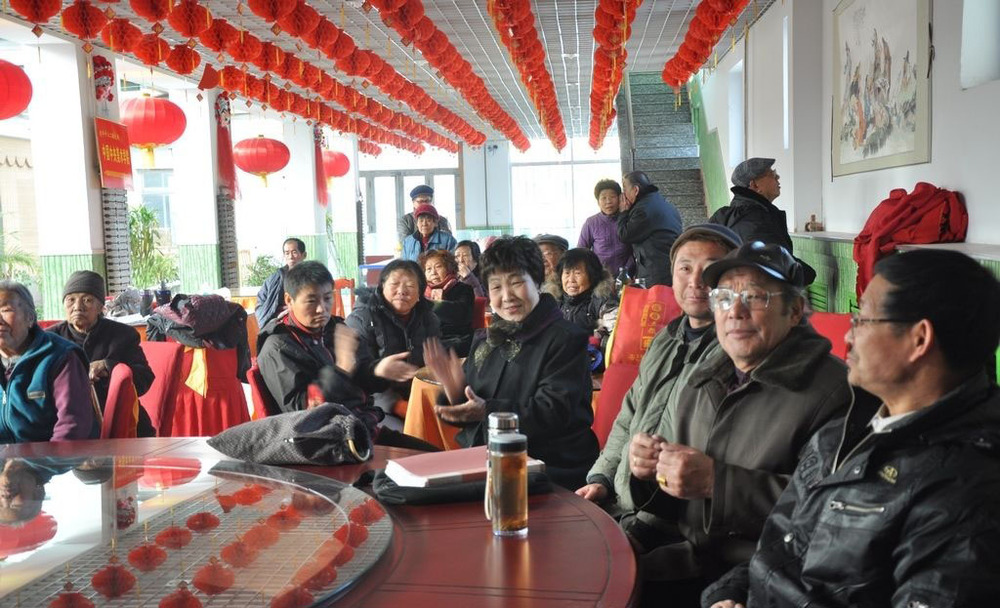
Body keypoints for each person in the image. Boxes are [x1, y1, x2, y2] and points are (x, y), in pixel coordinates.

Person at [704, 250, 1000, 608]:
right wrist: (730, 593)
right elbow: (783, 545)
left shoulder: (965, 492)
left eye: (863, 320)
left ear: (919, 340)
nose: (847, 336)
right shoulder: (843, 433)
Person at [626, 242, 851, 604]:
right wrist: (650, 471)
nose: (735, 311)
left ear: (794, 311)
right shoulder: (703, 377)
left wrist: (716, 483)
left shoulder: (835, 392)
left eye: (755, 297)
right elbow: (673, 502)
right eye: (724, 297)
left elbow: (834, 511)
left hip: (768, 578)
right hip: (685, 560)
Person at [576, 225, 741, 517]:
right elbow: (628, 418)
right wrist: (602, 479)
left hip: (675, 520)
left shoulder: (739, 353)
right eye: (685, 268)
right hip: (621, 503)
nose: (696, 281)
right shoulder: (665, 339)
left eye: (710, 269)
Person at [426, 236, 599, 489]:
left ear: (537, 281)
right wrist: (454, 392)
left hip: (549, 468)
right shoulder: (486, 339)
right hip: (489, 462)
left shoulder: (566, 339)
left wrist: (487, 411)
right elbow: (471, 408)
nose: (507, 296)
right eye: (496, 287)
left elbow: (553, 412)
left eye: (516, 283)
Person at [256, 261, 437, 450]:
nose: (321, 309)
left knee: (434, 455)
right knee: (427, 459)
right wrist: (341, 369)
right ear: (289, 300)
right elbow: (303, 412)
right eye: (311, 301)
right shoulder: (278, 347)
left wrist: (378, 371)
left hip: (358, 426)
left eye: (327, 298)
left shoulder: (334, 328)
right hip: (325, 444)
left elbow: (361, 374)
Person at [48, 271, 156, 437]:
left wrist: (109, 366)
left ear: (101, 307)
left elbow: (144, 379)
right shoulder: (49, 340)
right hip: (65, 428)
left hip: (121, 428)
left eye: (87, 300)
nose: (77, 307)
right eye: (71, 300)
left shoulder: (122, 335)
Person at [346, 260, 441, 429]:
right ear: (382, 286)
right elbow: (357, 376)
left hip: (420, 397)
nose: (402, 291)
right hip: (376, 405)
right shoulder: (361, 319)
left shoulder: (428, 319)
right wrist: (397, 405)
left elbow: (435, 364)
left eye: (410, 285)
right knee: (414, 432)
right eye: (394, 284)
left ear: (420, 293)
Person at [0, 280, 96, 443]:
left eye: (6, 310)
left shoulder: (61, 357)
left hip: (50, 456)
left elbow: (72, 428)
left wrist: (43, 459)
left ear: (30, 318)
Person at [709, 158, 791, 252]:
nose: (778, 177)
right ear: (755, 185)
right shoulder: (755, 218)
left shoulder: (728, 215)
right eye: (772, 174)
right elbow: (775, 257)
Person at [617, 171, 683, 287]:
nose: (623, 194)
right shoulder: (664, 204)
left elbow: (624, 234)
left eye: (625, 189)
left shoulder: (643, 210)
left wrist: (623, 212)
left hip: (657, 272)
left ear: (636, 190)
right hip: (671, 265)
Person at [421, 250, 476, 358]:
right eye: (428, 269)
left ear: (449, 268)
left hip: (458, 338)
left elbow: (463, 315)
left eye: (438, 267)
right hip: (430, 339)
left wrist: (432, 304)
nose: (433, 272)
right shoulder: (421, 293)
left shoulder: (463, 289)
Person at [578, 179, 635, 275]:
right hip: (600, 276)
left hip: (628, 275)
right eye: (603, 198)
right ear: (598, 202)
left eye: (612, 197)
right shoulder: (591, 223)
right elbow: (581, 251)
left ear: (620, 198)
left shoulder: (629, 219)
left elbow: (636, 249)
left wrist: (629, 269)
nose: (608, 201)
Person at [557, 248, 617, 334]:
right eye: (567, 273)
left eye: (577, 273)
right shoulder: (554, 300)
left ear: (592, 276)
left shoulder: (603, 303)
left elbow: (616, 334)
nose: (571, 280)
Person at [256, 238, 306, 328]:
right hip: (277, 322)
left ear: (304, 255)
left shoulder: (311, 278)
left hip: (303, 321)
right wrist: (276, 316)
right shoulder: (275, 278)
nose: (290, 257)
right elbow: (260, 303)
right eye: (287, 253)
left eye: (294, 252)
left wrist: (293, 310)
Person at [533, 234, 569, 298]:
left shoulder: (570, 284)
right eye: (537, 254)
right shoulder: (530, 284)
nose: (542, 259)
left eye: (548, 254)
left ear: (562, 255)